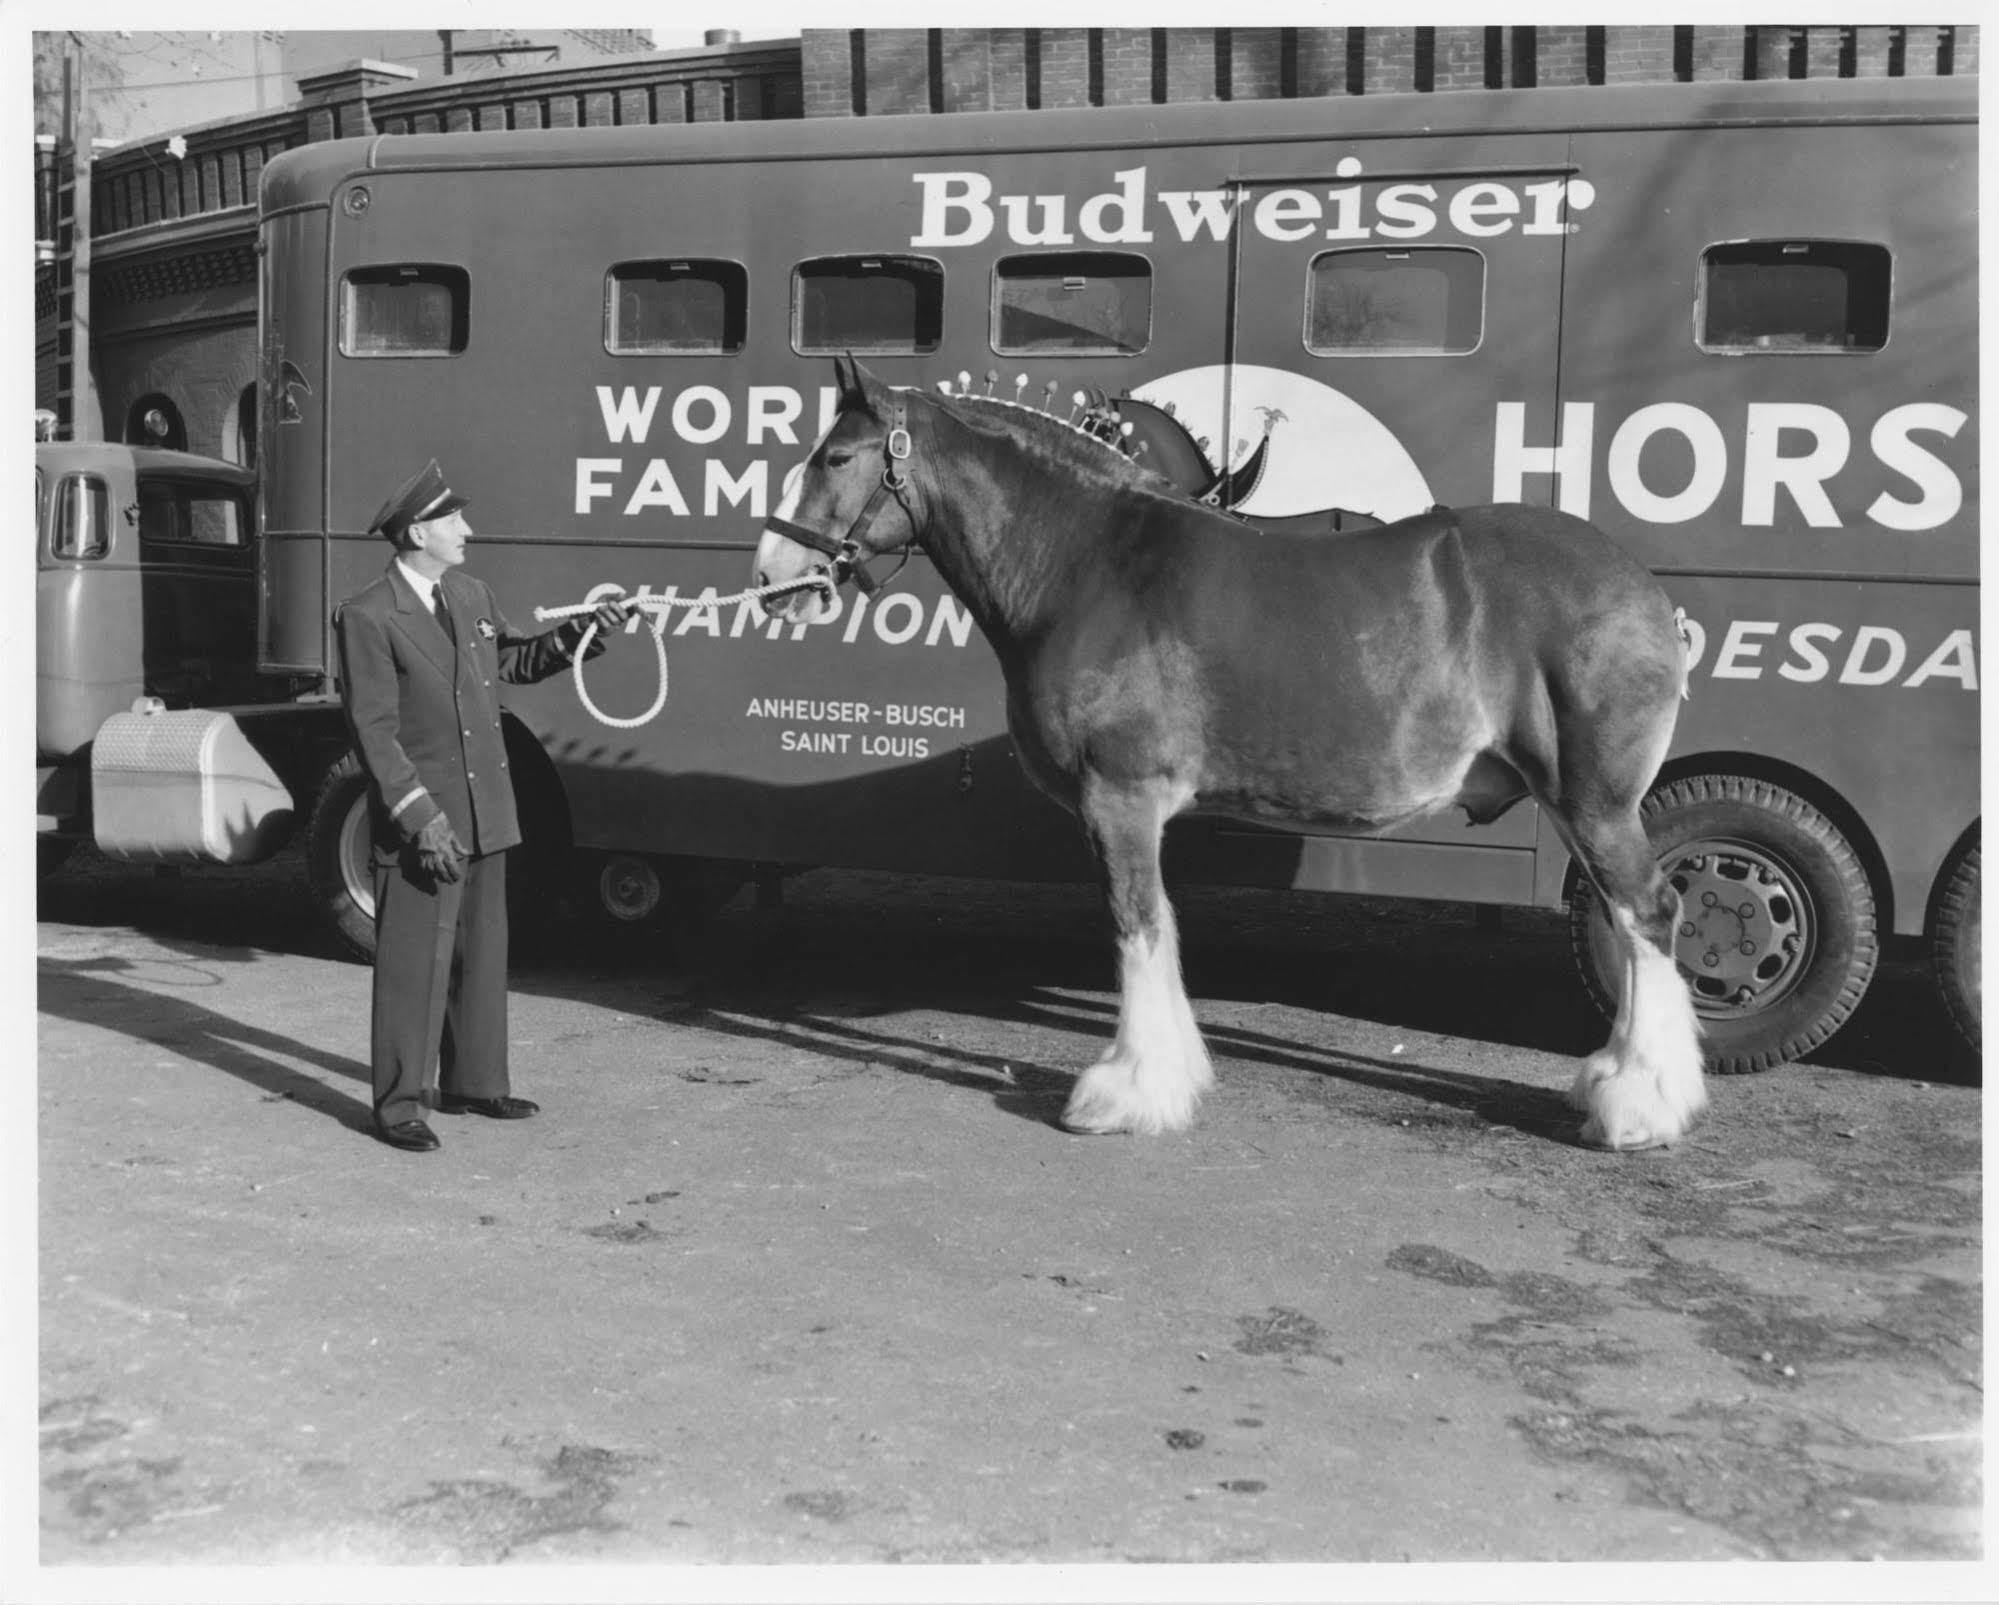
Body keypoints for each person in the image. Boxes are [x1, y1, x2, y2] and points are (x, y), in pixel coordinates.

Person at [334, 460, 631, 1152]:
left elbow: (515, 663)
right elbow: (372, 732)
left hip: (486, 809)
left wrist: (583, 631)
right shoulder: (368, 616)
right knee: (413, 964)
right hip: (425, 822)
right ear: (415, 533)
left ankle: (474, 1081)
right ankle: (400, 1101)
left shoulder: (469, 595)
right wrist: (418, 817)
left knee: (482, 950)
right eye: (451, 521)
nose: (466, 529)